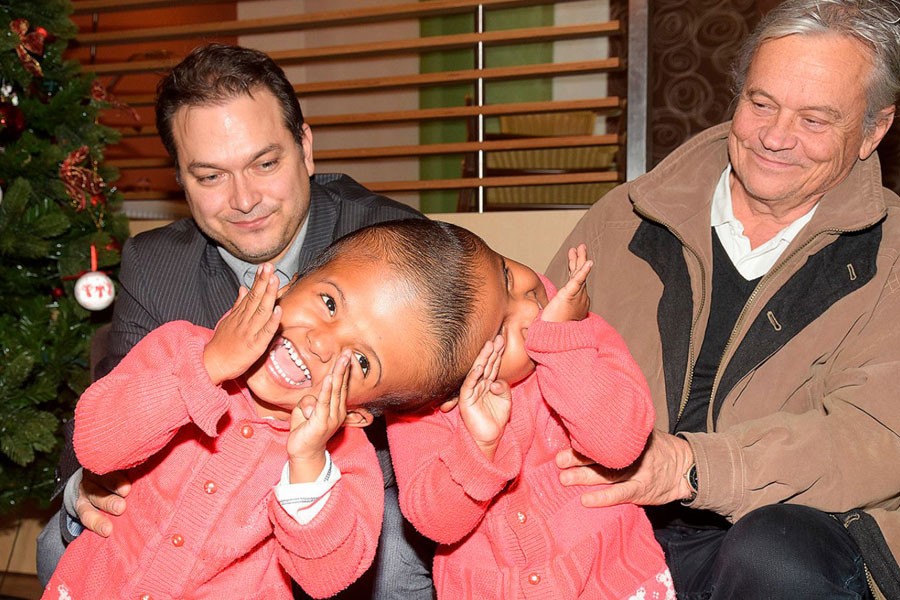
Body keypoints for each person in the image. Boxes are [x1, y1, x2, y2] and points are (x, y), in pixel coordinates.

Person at [36, 43, 436, 599]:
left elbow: (470, 380)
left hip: (344, 493)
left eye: (265, 163)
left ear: (305, 147)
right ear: (179, 177)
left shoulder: (392, 245)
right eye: (210, 177)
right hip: (193, 485)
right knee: (61, 540)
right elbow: (112, 398)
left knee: (391, 556)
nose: (245, 199)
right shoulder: (156, 265)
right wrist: (87, 485)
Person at [545, 1, 900, 598]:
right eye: (761, 104)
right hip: (613, 522)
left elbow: (874, 439)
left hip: (784, 541)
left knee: (774, 551)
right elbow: (536, 347)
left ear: (873, 130)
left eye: (815, 120)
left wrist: (689, 466)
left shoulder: (892, 259)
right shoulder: (626, 216)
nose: (775, 137)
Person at [42, 219, 500, 600]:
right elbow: (97, 445)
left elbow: (327, 576)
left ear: (359, 415)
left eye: (361, 361)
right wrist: (208, 367)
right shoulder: (181, 347)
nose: (321, 342)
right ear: (291, 282)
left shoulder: (341, 463)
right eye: (329, 303)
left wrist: (307, 463)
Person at [387, 242, 674, 599]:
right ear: (442, 377)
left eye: (505, 275)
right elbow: (437, 522)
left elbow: (620, 444)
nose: (527, 306)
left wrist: (563, 342)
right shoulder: (419, 409)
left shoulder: (579, 333)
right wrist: (477, 447)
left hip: (612, 579)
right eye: (498, 330)